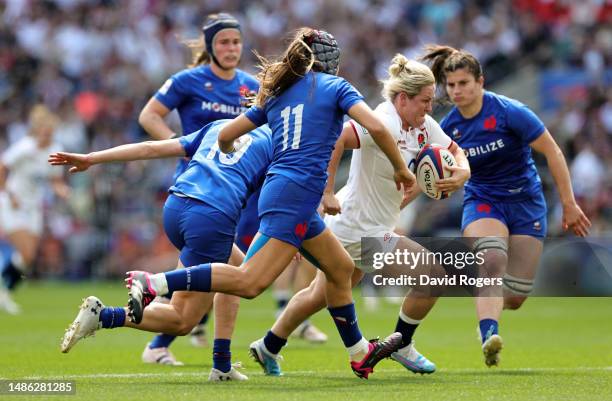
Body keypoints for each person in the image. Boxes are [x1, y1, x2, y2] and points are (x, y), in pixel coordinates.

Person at [126, 28, 415, 379]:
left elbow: (225, 135)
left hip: (284, 193)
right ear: (330, 61)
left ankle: (358, 352)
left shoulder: (278, 93)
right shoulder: (337, 88)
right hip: (296, 195)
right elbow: (379, 130)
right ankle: (158, 283)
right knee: (249, 283)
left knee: (339, 269)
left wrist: (231, 153)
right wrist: (402, 168)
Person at [249, 54, 471, 376]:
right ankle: (402, 343)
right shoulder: (383, 120)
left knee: (317, 295)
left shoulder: (422, 126)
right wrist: (325, 192)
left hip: (358, 226)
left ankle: (268, 345)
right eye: (425, 101)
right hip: (360, 229)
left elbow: (455, 151)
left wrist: (461, 173)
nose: (430, 108)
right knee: (432, 277)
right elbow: (338, 137)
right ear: (403, 98)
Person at [53, 120, 273, 381]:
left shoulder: (219, 126)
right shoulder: (280, 140)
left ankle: (222, 366)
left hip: (176, 206)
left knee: (232, 273)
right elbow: (278, 195)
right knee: (182, 320)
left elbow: (150, 148)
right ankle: (104, 315)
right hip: (211, 216)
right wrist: (284, 236)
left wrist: (92, 158)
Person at [420, 44, 591, 367]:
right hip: (484, 200)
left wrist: (569, 204)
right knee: (491, 259)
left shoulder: (511, 112)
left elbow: (553, 152)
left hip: (527, 203)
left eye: (463, 84)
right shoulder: (450, 128)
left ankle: (493, 315)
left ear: (480, 82)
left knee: (514, 297)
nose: (456, 91)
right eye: (451, 85)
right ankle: (489, 336)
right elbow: (434, 170)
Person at [137, 12, 259, 364]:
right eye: (224, 42)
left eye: (236, 41)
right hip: (194, 187)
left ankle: (162, 331)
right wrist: (179, 144)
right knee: (222, 272)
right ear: (210, 46)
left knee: (210, 271)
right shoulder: (188, 80)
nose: (232, 48)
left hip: (232, 188)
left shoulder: (251, 87)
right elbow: (149, 116)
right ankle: (172, 337)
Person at [0, 104, 70, 314]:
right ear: (37, 130)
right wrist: (8, 194)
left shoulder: (54, 149)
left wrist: (62, 190)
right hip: (14, 204)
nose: (47, 136)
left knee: (28, 258)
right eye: (44, 132)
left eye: (50, 133)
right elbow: (2, 167)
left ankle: (5, 292)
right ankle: (5, 291)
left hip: (33, 207)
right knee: (26, 252)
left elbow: (55, 180)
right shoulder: (24, 148)